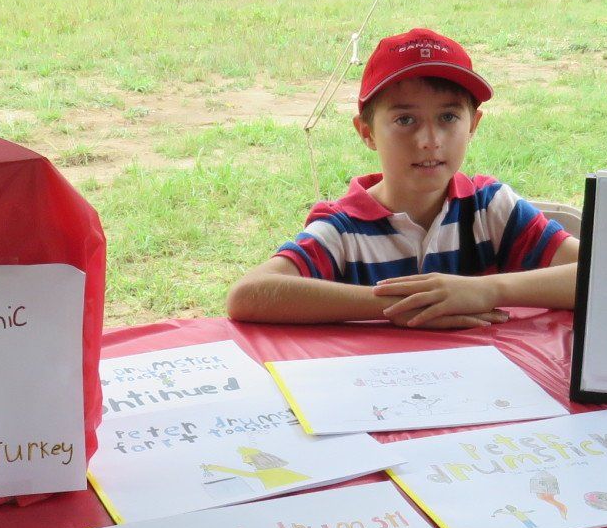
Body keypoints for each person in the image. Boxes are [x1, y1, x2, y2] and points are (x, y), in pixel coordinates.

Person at [226, 28, 577, 329]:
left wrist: (487, 291)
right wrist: (403, 306)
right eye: (405, 120)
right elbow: (249, 295)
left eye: (449, 117)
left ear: (473, 125)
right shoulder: (346, 229)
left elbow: (602, 274)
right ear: (367, 133)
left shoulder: (489, 209)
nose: (430, 140)